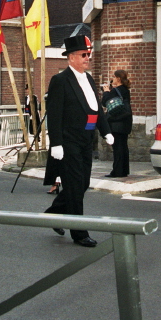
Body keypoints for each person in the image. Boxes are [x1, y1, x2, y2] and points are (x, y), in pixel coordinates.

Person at [44, 35, 113, 247]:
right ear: (71, 57)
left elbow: (96, 109)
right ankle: (79, 233)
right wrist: (55, 143)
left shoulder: (89, 79)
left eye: (88, 54)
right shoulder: (60, 80)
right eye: (83, 55)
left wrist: (106, 131)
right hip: (68, 141)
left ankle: (54, 212)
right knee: (74, 185)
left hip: (86, 140)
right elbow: (54, 114)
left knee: (81, 184)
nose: (87, 58)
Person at [101, 69, 133, 177]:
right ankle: (124, 170)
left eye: (114, 77)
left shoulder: (115, 91)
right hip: (125, 122)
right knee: (123, 146)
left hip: (116, 122)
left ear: (118, 78)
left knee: (117, 148)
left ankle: (117, 171)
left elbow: (105, 103)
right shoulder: (125, 90)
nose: (112, 79)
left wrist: (106, 92)